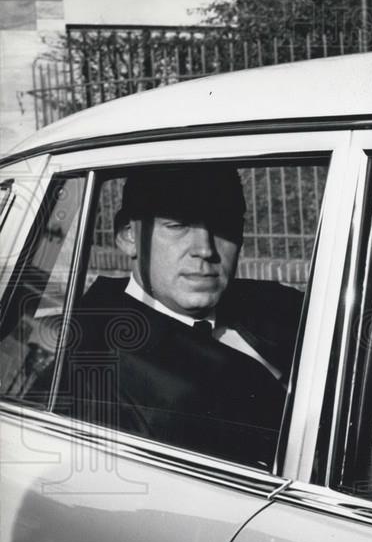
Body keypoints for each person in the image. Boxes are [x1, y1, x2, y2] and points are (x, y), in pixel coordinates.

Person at [55, 165, 302, 469]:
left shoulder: (281, 303)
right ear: (128, 236)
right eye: (178, 225)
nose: (205, 249)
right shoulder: (88, 361)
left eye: (223, 225)